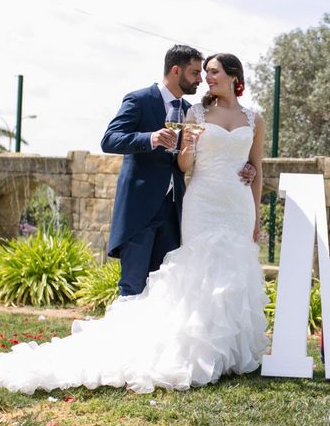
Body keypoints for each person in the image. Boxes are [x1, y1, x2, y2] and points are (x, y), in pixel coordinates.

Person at [0, 52, 269, 394]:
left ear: (234, 75)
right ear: (176, 71)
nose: (204, 78)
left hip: (234, 204)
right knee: (193, 277)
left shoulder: (253, 117)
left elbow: (255, 166)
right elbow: (184, 164)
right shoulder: (191, 111)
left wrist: (256, 213)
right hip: (197, 203)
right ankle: (192, 352)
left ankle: (228, 354)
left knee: (233, 275)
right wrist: (180, 144)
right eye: (199, 72)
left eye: (212, 72)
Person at [98, 44, 254, 296]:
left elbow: (207, 153)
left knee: (165, 288)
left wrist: (246, 165)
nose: (200, 80)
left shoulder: (191, 111)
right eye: (194, 73)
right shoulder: (139, 100)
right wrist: (151, 138)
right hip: (140, 208)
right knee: (132, 284)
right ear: (175, 71)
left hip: (175, 211)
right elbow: (110, 140)